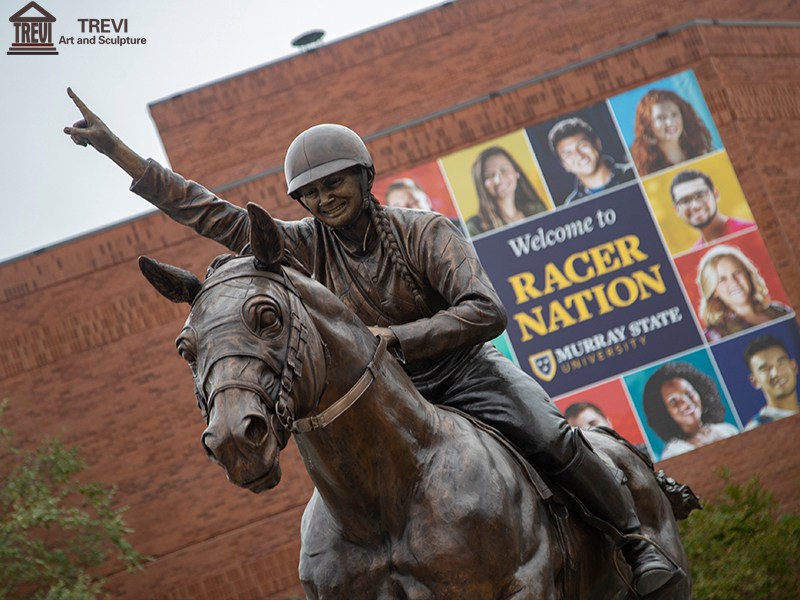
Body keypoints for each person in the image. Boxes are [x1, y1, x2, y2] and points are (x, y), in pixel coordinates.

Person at [64, 88, 678, 596]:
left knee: (553, 434)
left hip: (462, 373)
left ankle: (634, 538)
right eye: (311, 192)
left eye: (336, 184)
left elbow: (486, 311)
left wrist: (397, 339)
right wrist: (119, 152)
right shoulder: (301, 246)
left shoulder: (425, 232)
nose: (325, 199)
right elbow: (207, 212)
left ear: (364, 178)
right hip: (380, 398)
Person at [642, 362, 738, 460]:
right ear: (664, 412)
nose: (685, 403)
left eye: (688, 393)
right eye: (673, 401)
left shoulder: (727, 429)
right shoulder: (673, 453)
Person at [696, 244, 791, 341]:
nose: (734, 282)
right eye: (722, 279)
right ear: (714, 290)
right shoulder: (715, 334)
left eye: (737, 273)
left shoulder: (779, 310)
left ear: (748, 274)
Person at [547, 117, 635, 204]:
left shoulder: (634, 174)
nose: (579, 155)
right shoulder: (572, 205)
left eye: (582, 145)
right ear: (564, 165)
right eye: (568, 154)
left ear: (597, 144)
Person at [466, 146, 547, 236]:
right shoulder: (475, 227)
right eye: (489, 175)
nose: (498, 180)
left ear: (516, 172)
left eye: (504, 170)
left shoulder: (537, 210)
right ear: (481, 184)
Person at [630, 89, 713, 176]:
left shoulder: (704, 155)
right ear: (648, 124)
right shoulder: (646, 173)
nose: (670, 122)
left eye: (674, 114)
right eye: (661, 117)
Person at [670, 169, 754, 248]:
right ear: (677, 210)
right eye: (684, 201)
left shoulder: (751, 232)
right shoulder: (694, 253)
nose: (695, 206)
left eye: (700, 195)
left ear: (715, 195)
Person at [743, 335, 799, 429]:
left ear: (794, 367)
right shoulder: (756, 429)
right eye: (765, 369)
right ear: (755, 381)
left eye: (781, 363)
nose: (775, 373)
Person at [564, 401, 649, 455]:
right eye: (579, 431)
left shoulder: (647, 453)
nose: (589, 433)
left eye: (593, 423)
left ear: (608, 422)